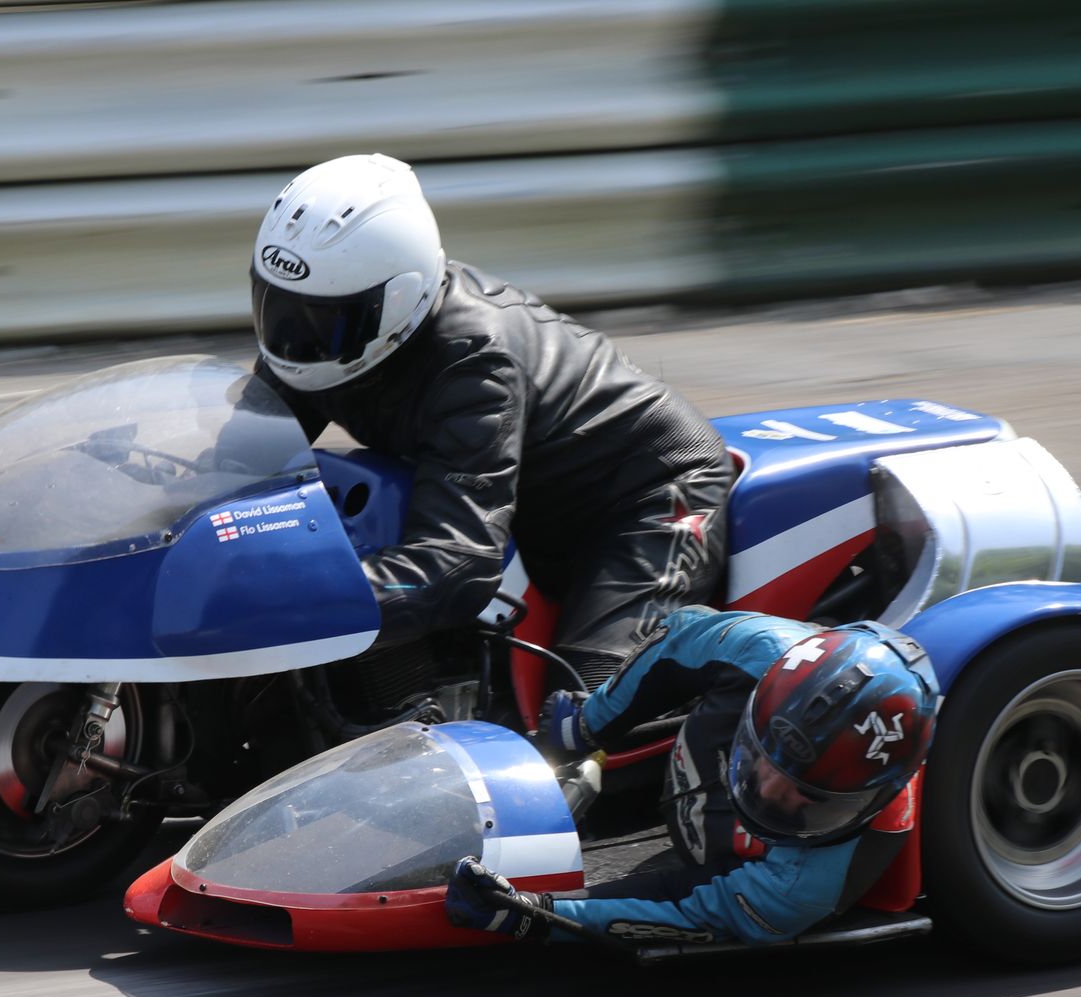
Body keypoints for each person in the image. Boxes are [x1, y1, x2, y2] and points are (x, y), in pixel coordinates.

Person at [248, 153, 732, 689]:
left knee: (583, 711)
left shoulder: (474, 368)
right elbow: (231, 465)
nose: (292, 341)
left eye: (320, 322)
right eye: (278, 308)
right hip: (522, 498)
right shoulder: (311, 349)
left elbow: (456, 566)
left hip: (645, 495)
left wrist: (302, 602)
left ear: (397, 300)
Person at [444, 606, 940, 946]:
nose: (766, 792)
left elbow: (684, 911)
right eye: (768, 760)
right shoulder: (763, 647)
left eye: (803, 792)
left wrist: (536, 913)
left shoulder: (805, 887)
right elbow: (679, 638)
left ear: (866, 800)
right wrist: (589, 722)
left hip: (720, 868)